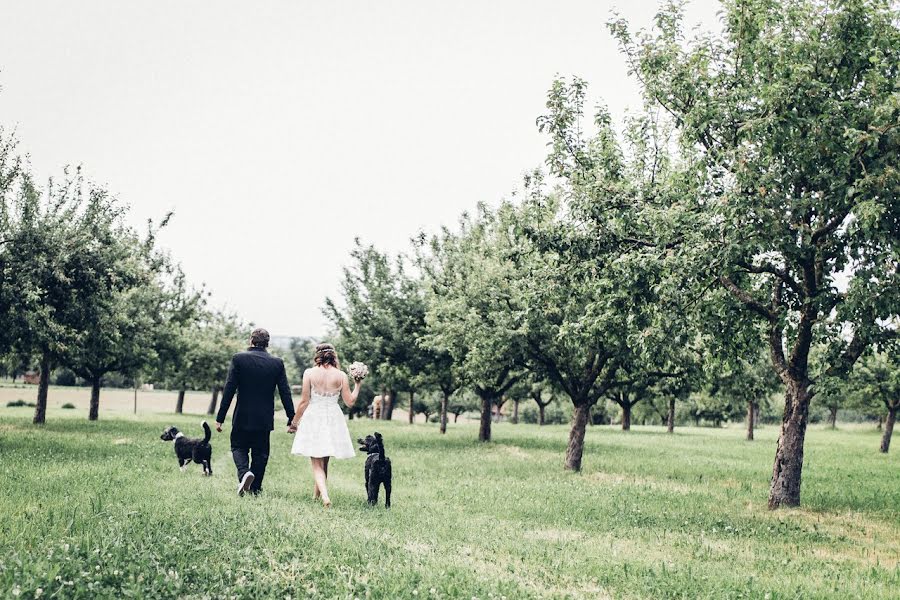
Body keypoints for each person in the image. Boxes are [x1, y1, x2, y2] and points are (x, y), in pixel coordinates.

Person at [215, 328, 295, 496]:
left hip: (242, 415)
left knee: (238, 447)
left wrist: (220, 417)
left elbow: (229, 388)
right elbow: (285, 391)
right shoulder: (277, 363)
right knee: (261, 453)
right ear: (267, 343)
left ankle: (244, 473)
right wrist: (291, 417)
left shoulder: (238, 359)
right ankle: (255, 488)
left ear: (251, 341)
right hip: (264, 417)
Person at [289, 343, 361, 507]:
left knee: (316, 462)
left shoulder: (309, 373)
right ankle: (316, 496)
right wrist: (358, 385)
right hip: (333, 417)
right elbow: (350, 402)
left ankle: (325, 497)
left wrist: (294, 422)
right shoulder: (341, 375)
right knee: (325, 459)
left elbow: (304, 402)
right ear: (333, 356)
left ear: (318, 355)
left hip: (315, 416)